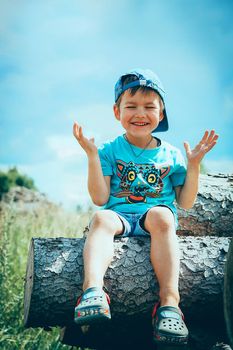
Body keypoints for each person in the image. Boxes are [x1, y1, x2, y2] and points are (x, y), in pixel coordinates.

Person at [73, 68, 218, 346]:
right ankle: (92, 292)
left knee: (164, 215)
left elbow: (185, 202)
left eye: (149, 107)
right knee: (101, 218)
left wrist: (194, 166)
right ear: (117, 112)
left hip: (153, 218)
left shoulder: (172, 155)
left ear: (161, 114)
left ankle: (169, 304)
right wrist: (92, 157)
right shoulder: (109, 150)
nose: (140, 113)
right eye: (131, 106)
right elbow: (100, 198)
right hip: (120, 216)